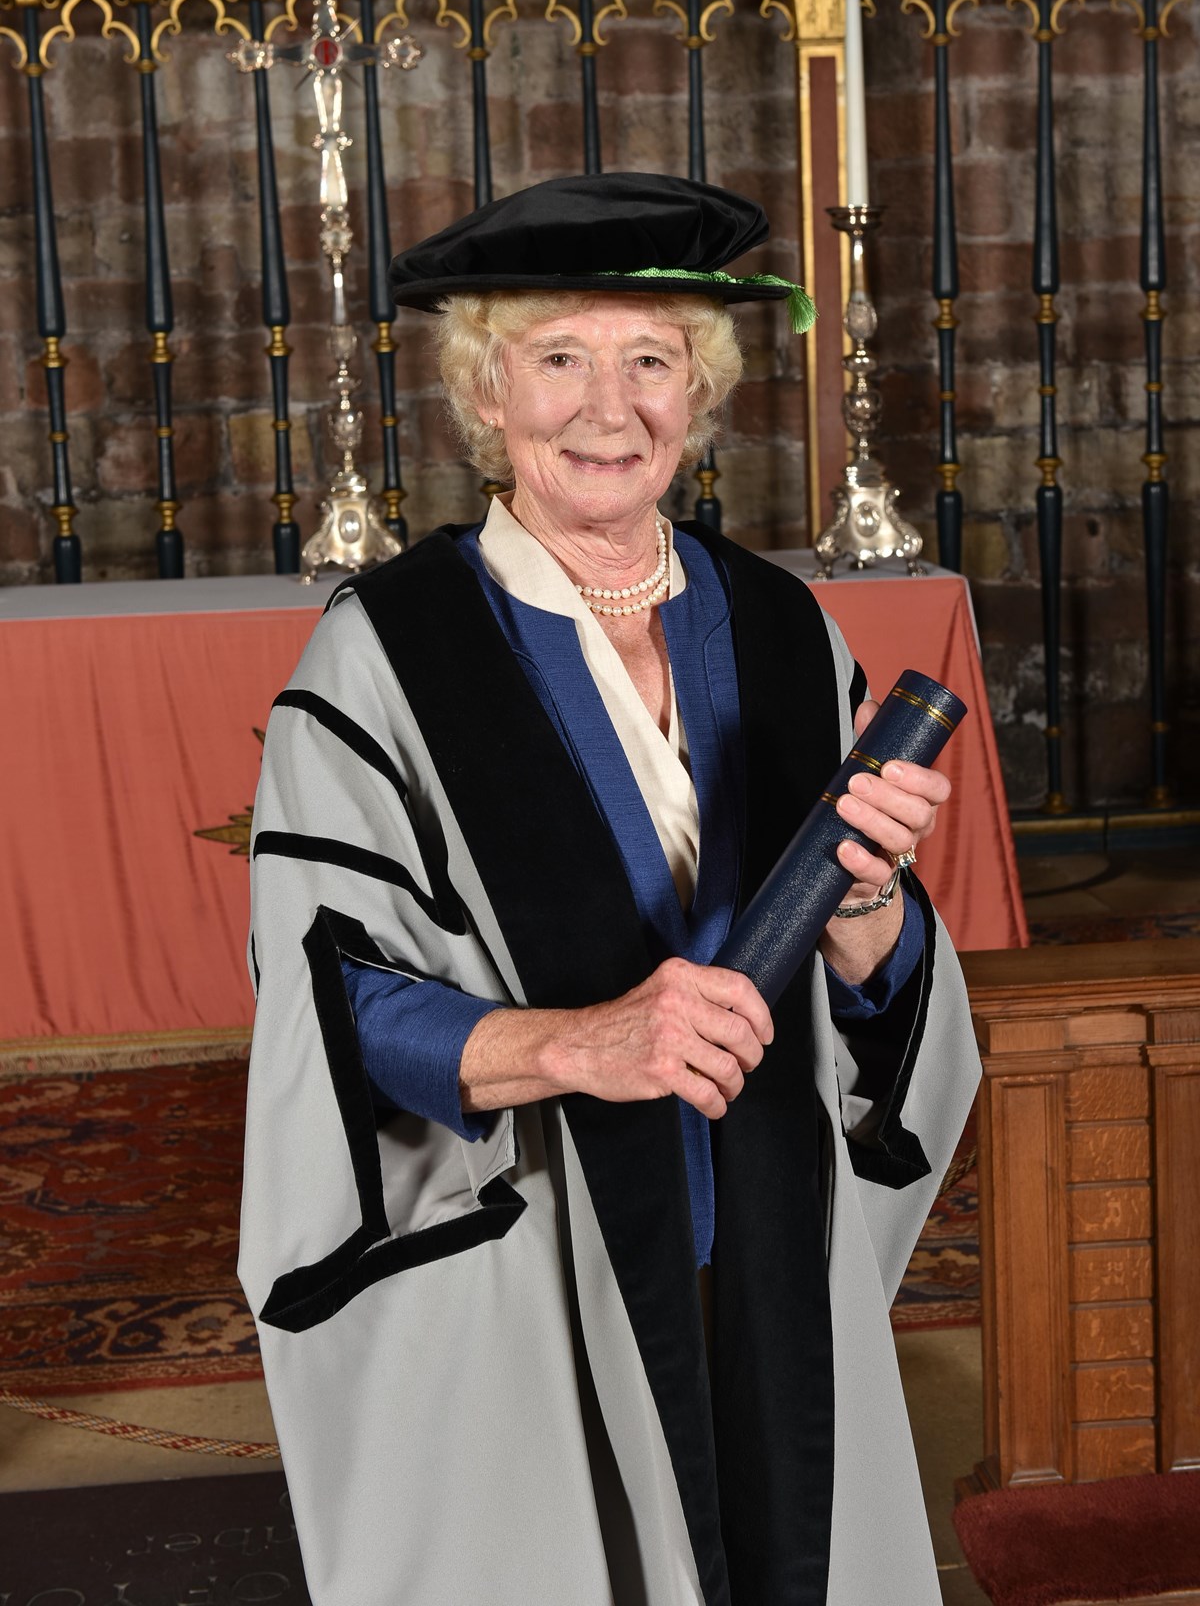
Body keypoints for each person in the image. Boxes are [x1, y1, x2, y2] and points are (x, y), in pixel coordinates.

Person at [239, 173, 980, 1606]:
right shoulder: (385, 659)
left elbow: (873, 971)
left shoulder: (783, 627)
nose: (609, 405)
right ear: (485, 394)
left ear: (698, 395)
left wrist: (873, 914)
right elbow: (334, 998)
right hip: (543, 1247)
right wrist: (581, 1042)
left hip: (769, 1227)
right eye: (559, 358)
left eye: (652, 361)